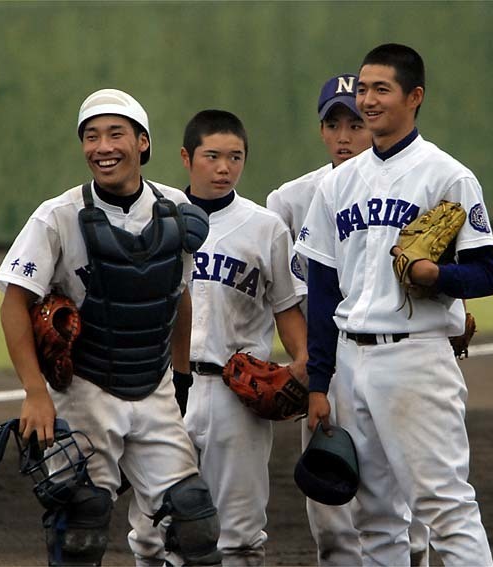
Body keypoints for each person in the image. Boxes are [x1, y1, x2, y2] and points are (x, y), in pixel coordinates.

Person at [0, 88, 221, 566]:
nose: (102, 147)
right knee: (83, 520)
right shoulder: (57, 215)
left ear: (143, 143)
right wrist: (35, 392)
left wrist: (180, 378)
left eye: (116, 134)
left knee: (195, 520)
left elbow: (177, 297)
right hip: (84, 388)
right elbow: (15, 303)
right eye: (91, 137)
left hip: (153, 387)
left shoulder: (175, 208)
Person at [295, 43, 493, 566]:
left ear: (415, 97)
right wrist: (320, 382)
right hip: (350, 360)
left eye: (380, 89)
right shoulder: (339, 183)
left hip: (416, 358)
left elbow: (487, 273)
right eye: (363, 89)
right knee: (373, 516)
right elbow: (322, 288)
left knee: (445, 507)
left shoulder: (446, 175)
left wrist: (438, 275)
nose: (367, 100)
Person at [128, 109, 308, 566]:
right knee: (151, 533)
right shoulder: (153, 218)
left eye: (235, 157)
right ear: (187, 158)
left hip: (236, 394)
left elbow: (286, 306)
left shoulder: (265, 227)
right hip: (162, 389)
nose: (224, 167)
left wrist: (305, 361)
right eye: (213, 156)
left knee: (240, 534)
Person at [267, 73, 432, 567]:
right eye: (333, 124)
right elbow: (288, 296)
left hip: (395, 358)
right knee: (333, 516)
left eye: (355, 124)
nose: (344, 136)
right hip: (327, 368)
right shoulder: (290, 200)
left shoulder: (413, 181)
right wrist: (306, 360)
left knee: (407, 509)